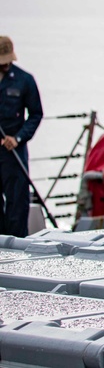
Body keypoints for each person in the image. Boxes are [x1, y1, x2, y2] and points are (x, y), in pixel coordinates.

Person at [0, 36, 43, 237]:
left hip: (14, 151)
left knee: (17, 203)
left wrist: (17, 138)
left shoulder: (24, 80)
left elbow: (35, 114)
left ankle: (16, 247)